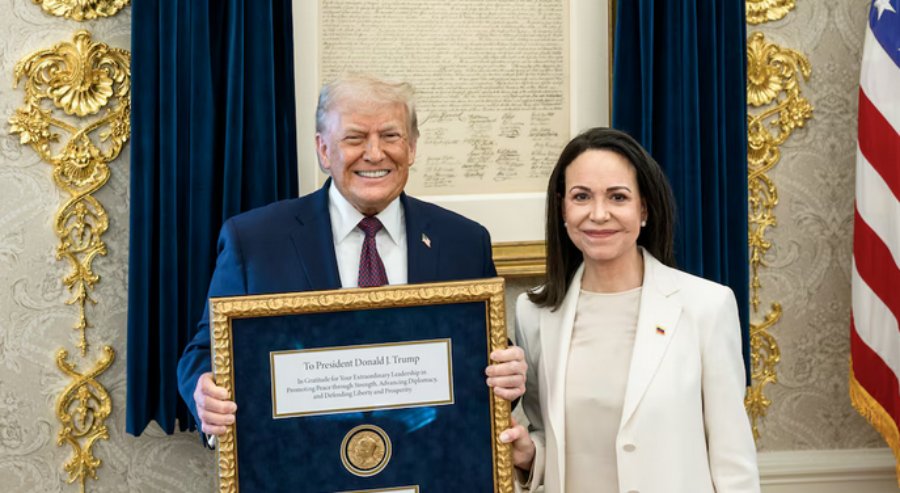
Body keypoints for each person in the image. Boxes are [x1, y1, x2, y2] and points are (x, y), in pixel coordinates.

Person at [176, 74, 526, 438]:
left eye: (390, 136)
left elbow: (484, 356)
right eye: (355, 138)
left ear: (412, 147)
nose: (374, 154)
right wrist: (205, 393)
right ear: (324, 150)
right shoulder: (254, 242)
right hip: (301, 468)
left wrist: (508, 372)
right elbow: (205, 352)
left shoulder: (464, 242)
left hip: (429, 465)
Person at [499, 127, 759, 492]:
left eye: (618, 197)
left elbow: (733, 459)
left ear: (644, 210)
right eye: (581, 197)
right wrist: (529, 454)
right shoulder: (534, 312)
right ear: (562, 208)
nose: (599, 214)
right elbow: (549, 435)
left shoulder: (706, 307)